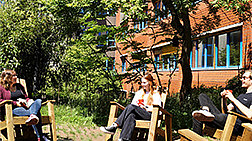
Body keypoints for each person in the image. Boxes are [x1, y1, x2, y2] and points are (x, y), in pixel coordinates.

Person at [100, 73, 162, 141]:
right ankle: (123, 139)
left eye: (144, 82)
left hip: (150, 116)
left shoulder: (155, 94)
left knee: (131, 107)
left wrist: (146, 108)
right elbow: (133, 106)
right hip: (138, 115)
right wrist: (139, 107)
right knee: (131, 115)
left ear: (150, 82)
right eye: (141, 82)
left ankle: (114, 126)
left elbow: (159, 112)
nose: (142, 84)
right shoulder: (139, 93)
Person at [192, 70, 252, 136]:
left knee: (201, 115)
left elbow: (250, 115)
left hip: (235, 124)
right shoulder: (241, 96)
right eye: (242, 78)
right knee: (198, 112)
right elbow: (225, 111)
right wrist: (224, 99)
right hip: (226, 119)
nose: (241, 80)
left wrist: (233, 99)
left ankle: (206, 114)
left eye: (244, 78)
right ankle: (205, 111)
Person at [0, 69, 49, 141]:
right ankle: (40, 137)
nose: (16, 77)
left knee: (38, 101)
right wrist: (15, 103)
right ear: (8, 77)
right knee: (35, 112)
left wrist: (29, 101)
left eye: (16, 75)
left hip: (26, 106)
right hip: (13, 109)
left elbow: (26, 97)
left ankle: (32, 115)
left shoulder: (19, 86)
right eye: (14, 75)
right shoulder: (2, 88)